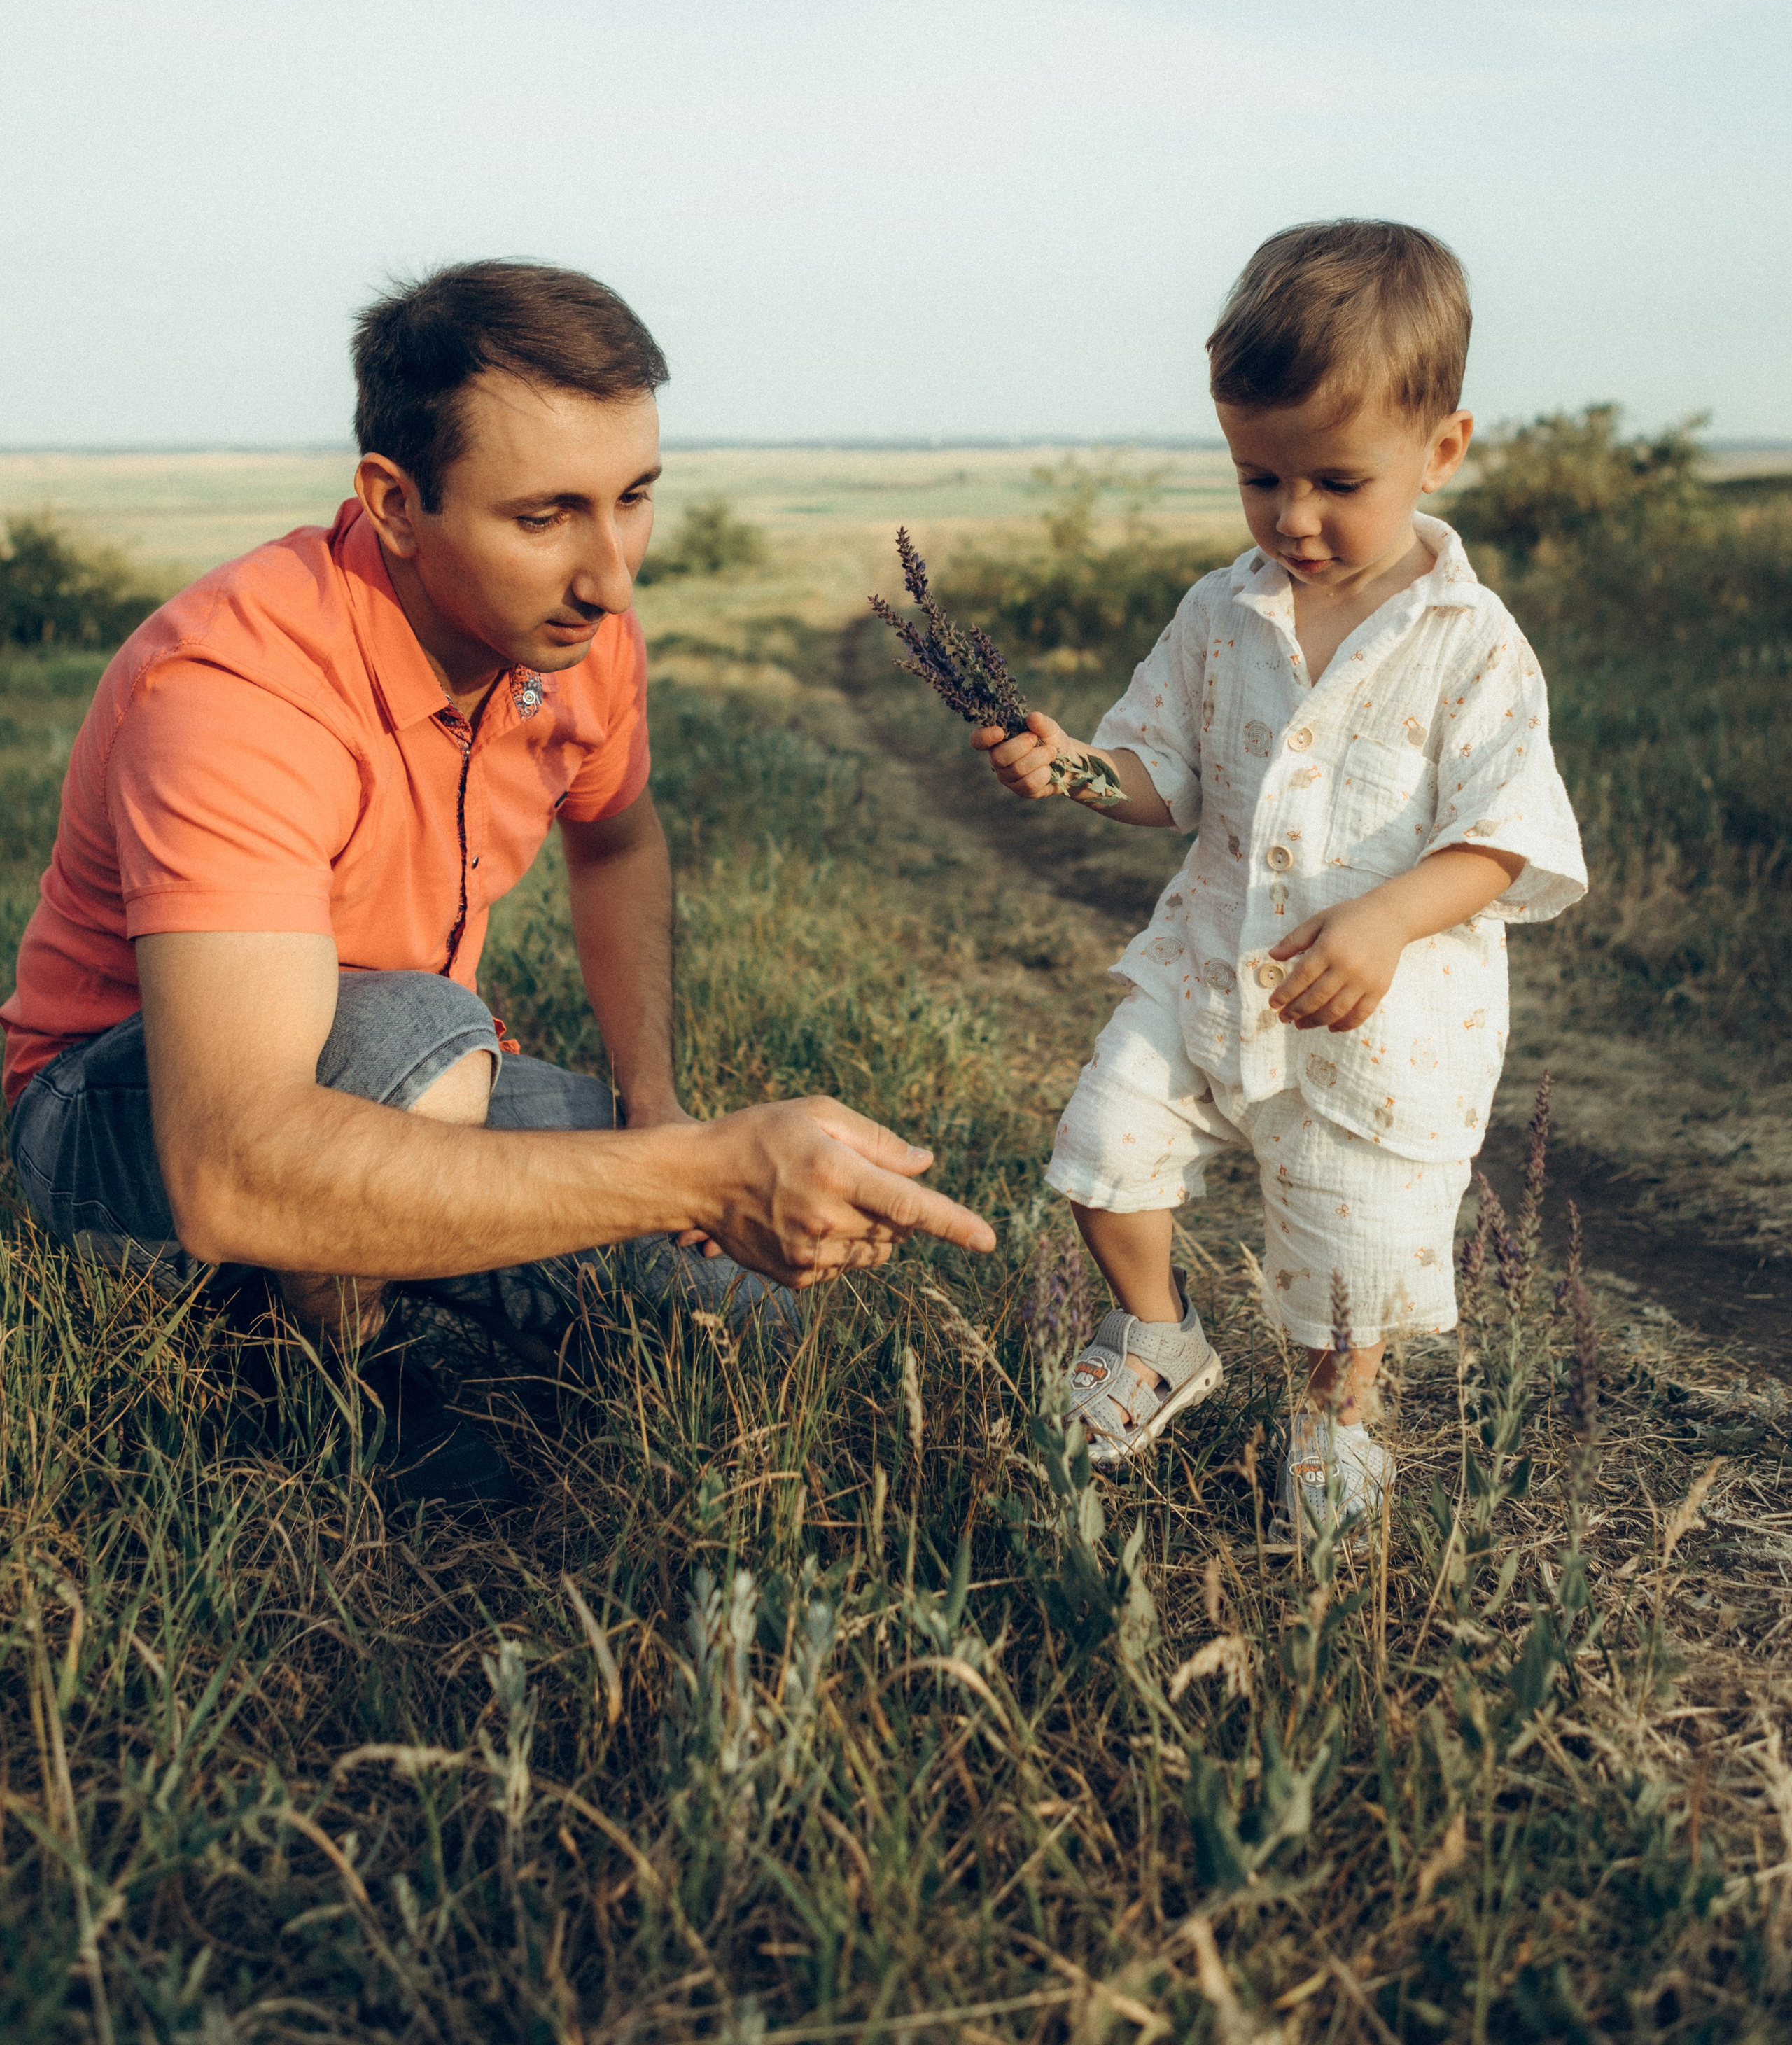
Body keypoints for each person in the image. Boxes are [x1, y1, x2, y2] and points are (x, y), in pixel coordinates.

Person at [2, 260, 994, 1507]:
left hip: (400, 1085)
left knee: (740, 1319)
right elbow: (233, 1161)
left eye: (633, 498)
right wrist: (704, 1171)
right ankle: (319, 1378)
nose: (613, 575)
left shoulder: (574, 636)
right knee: (419, 1033)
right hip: (116, 1128)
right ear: (397, 502)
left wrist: (656, 1110)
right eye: (544, 518)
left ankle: (365, 1271)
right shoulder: (234, 692)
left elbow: (619, 838)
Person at [974, 220, 1586, 1533]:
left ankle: (1332, 1419)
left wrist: (1383, 921)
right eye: (1259, 478)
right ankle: (1157, 1338)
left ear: (1442, 450)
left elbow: (1505, 834)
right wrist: (1072, 768)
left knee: (1347, 1247)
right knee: (1104, 1145)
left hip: (1380, 1021)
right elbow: (1162, 776)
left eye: (1334, 482)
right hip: (1206, 973)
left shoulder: (1472, 644)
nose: (1293, 519)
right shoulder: (1219, 612)